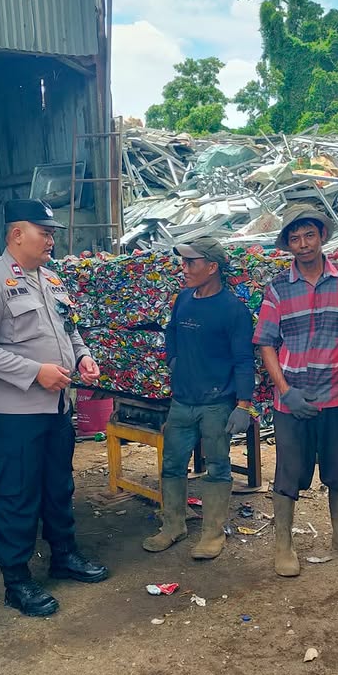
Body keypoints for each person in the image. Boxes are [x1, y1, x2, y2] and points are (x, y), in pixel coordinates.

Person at [0, 199, 109, 617]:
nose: (51, 238)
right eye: (43, 231)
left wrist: (83, 357)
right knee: (16, 495)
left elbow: (70, 331)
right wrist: (34, 371)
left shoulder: (52, 280)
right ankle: (17, 581)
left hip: (57, 408)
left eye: (53, 232)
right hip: (13, 417)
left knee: (58, 487)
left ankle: (64, 556)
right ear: (16, 235)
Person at [253, 204, 338, 578]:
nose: (303, 244)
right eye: (294, 238)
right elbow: (266, 343)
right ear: (287, 245)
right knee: (289, 472)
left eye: (309, 235)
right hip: (294, 400)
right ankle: (284, 544)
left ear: (322, 237)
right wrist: (285, 390)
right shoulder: (278, 288)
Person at [142, 238, 256, 559]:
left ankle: (212, 534)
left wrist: (243, 404)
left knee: (218, 467)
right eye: (183, 262)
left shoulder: (233, 310)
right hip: (182, 401)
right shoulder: (183, 299)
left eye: (191, 263)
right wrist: (173, 359)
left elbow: (244, 360)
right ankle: (173, 525)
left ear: (212, 267)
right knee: (172, 464)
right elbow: (172, 332)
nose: (184, 268)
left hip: (216, 404)